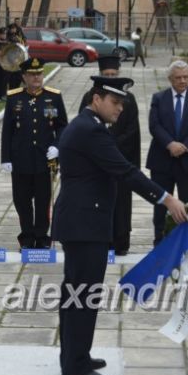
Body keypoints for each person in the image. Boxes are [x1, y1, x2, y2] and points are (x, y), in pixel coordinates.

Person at [53, 75, 187, 375]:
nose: (120, 109)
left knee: (76, 293)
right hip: (85, 225)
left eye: (122, 104)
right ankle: (75, 365)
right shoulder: (90, 131)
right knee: (83, 294)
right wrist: (166, 198)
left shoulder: (90, 126)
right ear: (96, 99)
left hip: (83, 222)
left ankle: (76, 355)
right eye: (115, 102)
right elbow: (125, 171)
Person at [1, 58, 67, 249]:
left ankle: (42, 236)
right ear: (24, 77)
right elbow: (8, 130)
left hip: (44, 160)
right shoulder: (14, 98)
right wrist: (5, 158)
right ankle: (27, 236)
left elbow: (63, 126)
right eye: (32, 74)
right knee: (21, 200)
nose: (36, 77)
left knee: (43, 200)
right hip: (20, 159)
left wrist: (57, 146)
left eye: (39, 73)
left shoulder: (53, 97)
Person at [78, 56, 140, 255]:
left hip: (120, 158)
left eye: (114, 74)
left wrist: (111, 147)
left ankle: (121, 242)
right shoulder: (90, 97)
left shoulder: (128, 99)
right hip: (97, 163)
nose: (110, 77)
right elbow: (85, 128)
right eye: (106, 75)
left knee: (121, 203)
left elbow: (132, 130)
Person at [146, 60, 188, 245]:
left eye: (185, 77)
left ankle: (186, 239)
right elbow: (154, 125)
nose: (182, 81)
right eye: (178, 78)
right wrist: (170, 144)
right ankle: (160, 239)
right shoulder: (159, 98)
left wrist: (184, 146)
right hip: (162, 160)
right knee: (160, 202)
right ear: (170, 79)